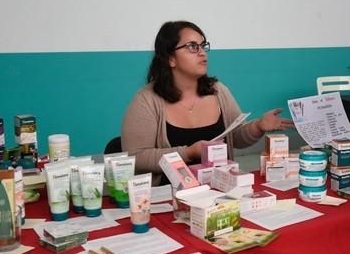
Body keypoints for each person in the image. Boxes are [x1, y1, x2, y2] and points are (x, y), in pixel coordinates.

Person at [122, 21, 292, 183]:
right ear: (170, 59)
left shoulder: (218, 91)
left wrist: (258, 126)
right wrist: (188, 152)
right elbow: (136, 157)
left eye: (203, 46)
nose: (202, 52)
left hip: (221, 190)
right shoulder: (147, 100)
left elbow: (237, 137)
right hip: (169, 198)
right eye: (192, 47)